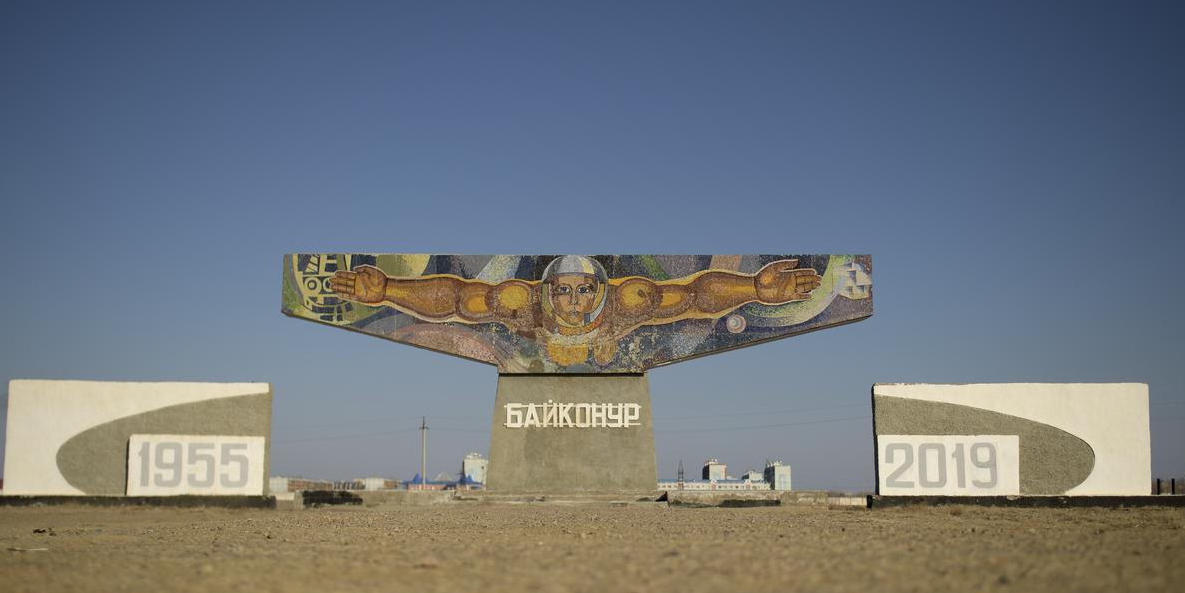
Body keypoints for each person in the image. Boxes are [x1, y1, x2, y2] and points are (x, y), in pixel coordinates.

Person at [328, 255, 821, 367]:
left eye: (585, 292)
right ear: (547, 291)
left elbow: (694, 295)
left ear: (602, 290)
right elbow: (457, 298)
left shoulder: (631, 301)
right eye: (562, 293)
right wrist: (389, 289)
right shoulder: (519, 302)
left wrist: (756, 287)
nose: (573, 303)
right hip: (528, 347)